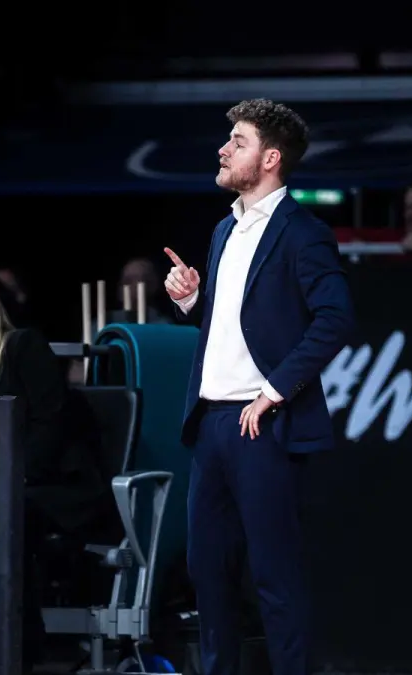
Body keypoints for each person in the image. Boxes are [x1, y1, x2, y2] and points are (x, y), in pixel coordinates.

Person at [163, 99, 354, 675]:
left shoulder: (303, 233)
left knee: (275, 575)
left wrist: (275, 390)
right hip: (213, 422)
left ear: (270, 158)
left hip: (262, 423)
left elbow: (335, 319)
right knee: (208, 574)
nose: (223, 150)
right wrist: (192, 301)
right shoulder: (225, 228)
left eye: (238, 142)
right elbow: (234, 324)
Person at [0, 268, 108, 673]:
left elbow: (52, 424)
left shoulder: (24, 347)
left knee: (5, 514)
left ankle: (20, 645)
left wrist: (9, 479)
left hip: (56, 488)